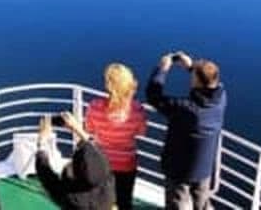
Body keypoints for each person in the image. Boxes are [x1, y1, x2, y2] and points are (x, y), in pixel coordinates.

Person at [146, 52, 227, 210]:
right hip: (204, 167)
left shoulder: (185, 109)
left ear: (196, 80)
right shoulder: (221, 99)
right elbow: (209, 83)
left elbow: (153, 97)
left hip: (179, 170)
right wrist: (191, 67)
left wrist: (162, 69)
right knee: (202, 204)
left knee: (178, 204)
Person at [85, 63, 147, 210]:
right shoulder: (137, 109)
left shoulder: (94, 106)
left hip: (101, 163)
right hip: (126, 164)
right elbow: (141, 132)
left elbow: (89, 129)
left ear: (108, 84)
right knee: (124, 202)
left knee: (101, 202)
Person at [35, 112, 115, 210]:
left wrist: (42, 139)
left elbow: (45, 174)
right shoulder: (108, 185)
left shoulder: (70, 197)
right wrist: (77, 129)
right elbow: (96, 155)